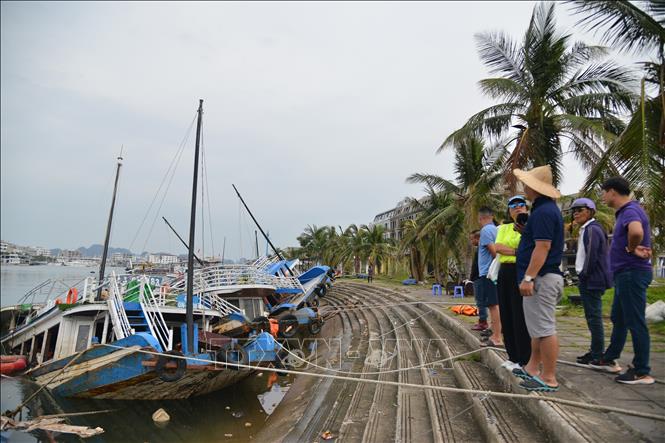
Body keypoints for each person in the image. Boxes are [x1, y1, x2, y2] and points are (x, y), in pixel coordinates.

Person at [590, 177, 654, 385]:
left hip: (632, 272)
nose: (602, 197)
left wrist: (630, 247)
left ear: (612, 192)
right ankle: (610, 358)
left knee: (635, 321)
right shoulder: (628, 211)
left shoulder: (630, 211)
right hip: (625, 274)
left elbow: (636, 231)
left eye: (603, 192)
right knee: (619, 317)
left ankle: (641, 370)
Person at [512, 165, 564, 393]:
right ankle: (532, 367)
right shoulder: (543, 211)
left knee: (545, 329)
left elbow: (543, 247)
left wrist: (529, 277)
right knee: (536, 328)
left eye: (527, 184)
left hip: (542, 278)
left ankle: (549, 377)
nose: (524, 188)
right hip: (541, 277)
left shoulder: (543, 213)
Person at [488, 195, 531, 369]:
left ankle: (524, 358)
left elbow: (529, 248)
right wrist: (517, 251)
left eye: (521, 204)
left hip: (520, 271)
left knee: (519, 315)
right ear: (509, 210)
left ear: (526, 208)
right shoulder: (503, 228)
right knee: (506, 313)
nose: (518, 207)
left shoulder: (530, 226)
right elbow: (497, 248)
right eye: (513, 205)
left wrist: (513, 251)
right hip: (504, 271)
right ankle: (512, 356)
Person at [570, 198, 612, 367]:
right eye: (574, 210)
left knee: (594, 317)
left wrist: (584, 275)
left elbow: (591, 256)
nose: (576, 213)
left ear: (590, 211)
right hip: (588, 278)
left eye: (580, 209)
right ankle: (595, 350)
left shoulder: (593, 228)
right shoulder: (586, 229)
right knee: (591, 316)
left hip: (592, 279)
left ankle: (598, 354)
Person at [474, 207, 502, 344]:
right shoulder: (496, 229)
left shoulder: (485, 231)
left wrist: (495, 267)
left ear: (481, 218)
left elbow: (494, 251)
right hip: (494, 272)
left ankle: (496, 337)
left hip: (488, 273)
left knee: (493, 304)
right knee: (496, 303)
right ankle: (494, 329)